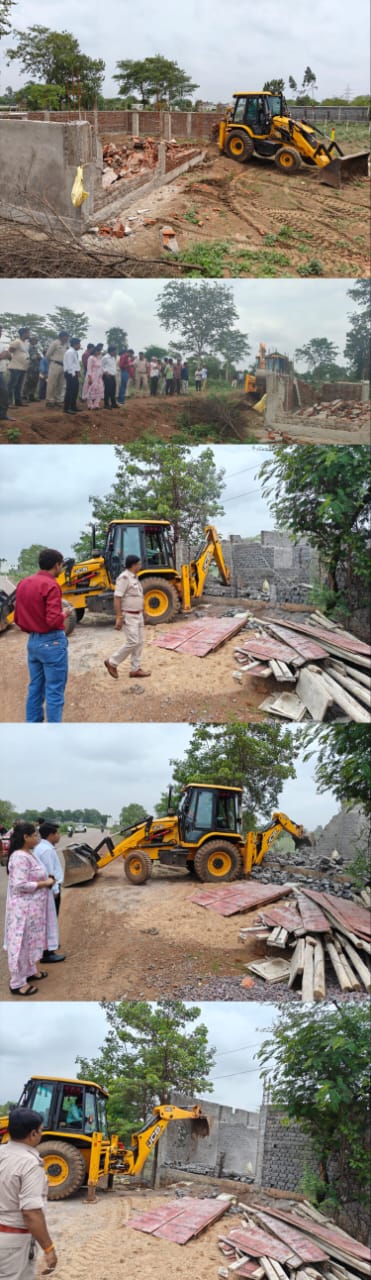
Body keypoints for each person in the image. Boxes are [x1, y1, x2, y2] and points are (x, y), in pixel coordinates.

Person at [0, 1105, 57, 1278]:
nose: (41, 1134)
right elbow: (31, 1213)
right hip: (12, 1243)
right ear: (33, 1134)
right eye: (40, 1131)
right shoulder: (30, 1164)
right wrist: (48, 1248)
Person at [14, 548, 68, 723]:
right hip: (52, 643)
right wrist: (65, 614)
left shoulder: (23, 583)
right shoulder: (51, 585)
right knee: (54, 691)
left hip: (33, 642)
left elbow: (17, 617)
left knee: (35, 689)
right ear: (56, 565)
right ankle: (53, 734)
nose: (61, 568)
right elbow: (53, 620)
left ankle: (33, 730)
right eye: (61, 565)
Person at [5, 823, 57, 997]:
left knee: (31, 942)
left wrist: (48, 879)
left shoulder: (29, 853)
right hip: (23, 911)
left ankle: (30, 971)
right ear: (25, 837)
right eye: (34, 835)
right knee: (21, 944)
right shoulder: (19, 857)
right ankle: (17, 983)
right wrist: (45, 883)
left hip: (33, 909)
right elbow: (19, 885)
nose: (38, 838)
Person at [104, 554, 151, 681]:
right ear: (133, 565)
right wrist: (119, 616)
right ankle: (112, 662)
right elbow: (117, 597)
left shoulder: (135, 578)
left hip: (138, 614)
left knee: (139, 642)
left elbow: (139, 596)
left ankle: (135, 669)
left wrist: (144, 611)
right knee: (133, 641)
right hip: (129, 615)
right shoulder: (124, 578)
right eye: (139, 564)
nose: (140, 566)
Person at [34, 822, 65, 965]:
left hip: (48, 888)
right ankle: (47, 953)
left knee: (48, 919)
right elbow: (49, 873)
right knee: (49, 920)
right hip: (50, 889)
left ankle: (49, 945)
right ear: (51, 835)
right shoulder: (46, 850)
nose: (59, 835)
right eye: (57, 833)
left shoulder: (43, 847)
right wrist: (55, 890)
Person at [45, 331, 69, 407]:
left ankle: (57, 400)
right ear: (61, 337)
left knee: (60, 384)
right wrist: (51, 362)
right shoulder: (55, 343)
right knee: (52, 383)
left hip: (63, 366)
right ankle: (50, 400)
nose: (67, 338)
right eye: (66, 336)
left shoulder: (66, 345)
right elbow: (47, 355)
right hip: (55, 364)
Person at [7, 328, 30, 406]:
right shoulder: (17, 342)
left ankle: (18, 401)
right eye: (28, 333)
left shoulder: (25, 343)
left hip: (23, 367)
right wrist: (13, 360)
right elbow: (10, 351)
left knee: (19, 385)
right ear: (23, 333)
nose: (29, 334)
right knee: (12, 385)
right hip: (15, 367)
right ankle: (8, 402)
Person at [82, 344, 104, 410]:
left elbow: (101, 367)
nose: (99, 352)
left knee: (99, 389)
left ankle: (96, 404)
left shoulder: (99, 358)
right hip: (92, 375)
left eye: (99, 351)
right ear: (94, 351)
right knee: (90, 389)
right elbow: (89, 368)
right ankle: (90, 405)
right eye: (97, 351)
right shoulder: (91, 358)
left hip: (98, 376)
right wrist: (90, 378)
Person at [63, 338, 81, 415]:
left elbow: (75, 363)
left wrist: (78, 371)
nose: (80, 346)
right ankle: (66, 408)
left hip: (74, 373)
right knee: (70, 391)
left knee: (75, 391)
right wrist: (73, 373)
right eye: (79, 344)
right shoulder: (70, 352)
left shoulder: (74, 352)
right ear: (75, 344)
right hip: (70, 373)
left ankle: (73, 406)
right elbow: (69, 364)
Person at [0, 326, 14, 423]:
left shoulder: (2, 345)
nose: (0, 333)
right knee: (4, 392)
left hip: (1, 372)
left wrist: (7, 355)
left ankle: (2, 414)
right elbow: (3, 356)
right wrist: (1, 356)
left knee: (4, 393)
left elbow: (9, 356)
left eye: (0, 331)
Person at [23, 338, 40, 403]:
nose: (36, 341)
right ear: (31, 341)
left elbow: (39, 357)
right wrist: (37, 356)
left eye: (36, 340)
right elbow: (31, 357)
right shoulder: (28, 347)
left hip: (36, 367)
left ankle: (31, 395)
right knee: (28, 381)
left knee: (34, 381)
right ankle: (24, 396)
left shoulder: (35, 348)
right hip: (30, 367)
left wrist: (38, 357)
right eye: (34, 340)